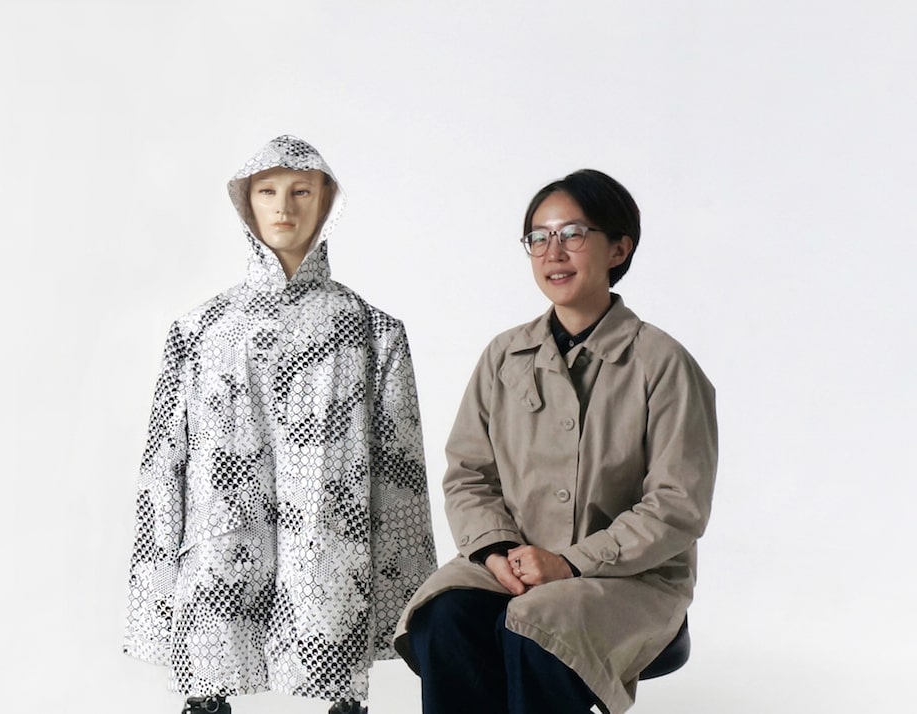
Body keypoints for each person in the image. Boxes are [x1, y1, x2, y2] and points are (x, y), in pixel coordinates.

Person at [124, 135, 437, 714]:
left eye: (301, 191)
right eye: (266, 191)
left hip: (331, 549)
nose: (283, 207)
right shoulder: (200, 330)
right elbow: (163, 468)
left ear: (327, 201)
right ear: (245, 202)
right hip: (219, 544)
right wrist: (155, 598)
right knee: (207, 683)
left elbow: (401, 483)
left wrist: (407, 608)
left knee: (338, 683)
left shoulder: (373, 333)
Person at [393, 169, 718, 714]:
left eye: (573, 234)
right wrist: (495, 551)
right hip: (513, 566)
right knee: (442, 616)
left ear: (619, 248)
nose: (553, 252)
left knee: (540, 630)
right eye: (539, 238)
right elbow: (469, 474)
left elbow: (677, 507)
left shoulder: (663, 364)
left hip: (629, 577)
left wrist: (569, 562)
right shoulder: (504, 355)